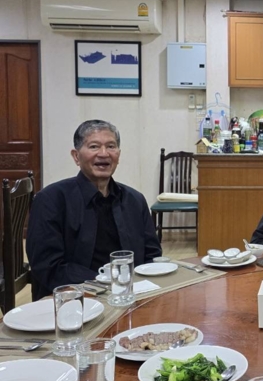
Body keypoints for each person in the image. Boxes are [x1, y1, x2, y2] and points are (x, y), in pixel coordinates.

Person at [26, 120, 162, 299]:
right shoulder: (51, 200)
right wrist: (104, 283)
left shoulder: (135, 200)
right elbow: (47, 266)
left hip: (131, 296)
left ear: (118, 155)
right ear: (76, 156)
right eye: (94, 146)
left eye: (111, 146)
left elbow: (152, 255)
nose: (104, 154)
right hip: (72, 300)